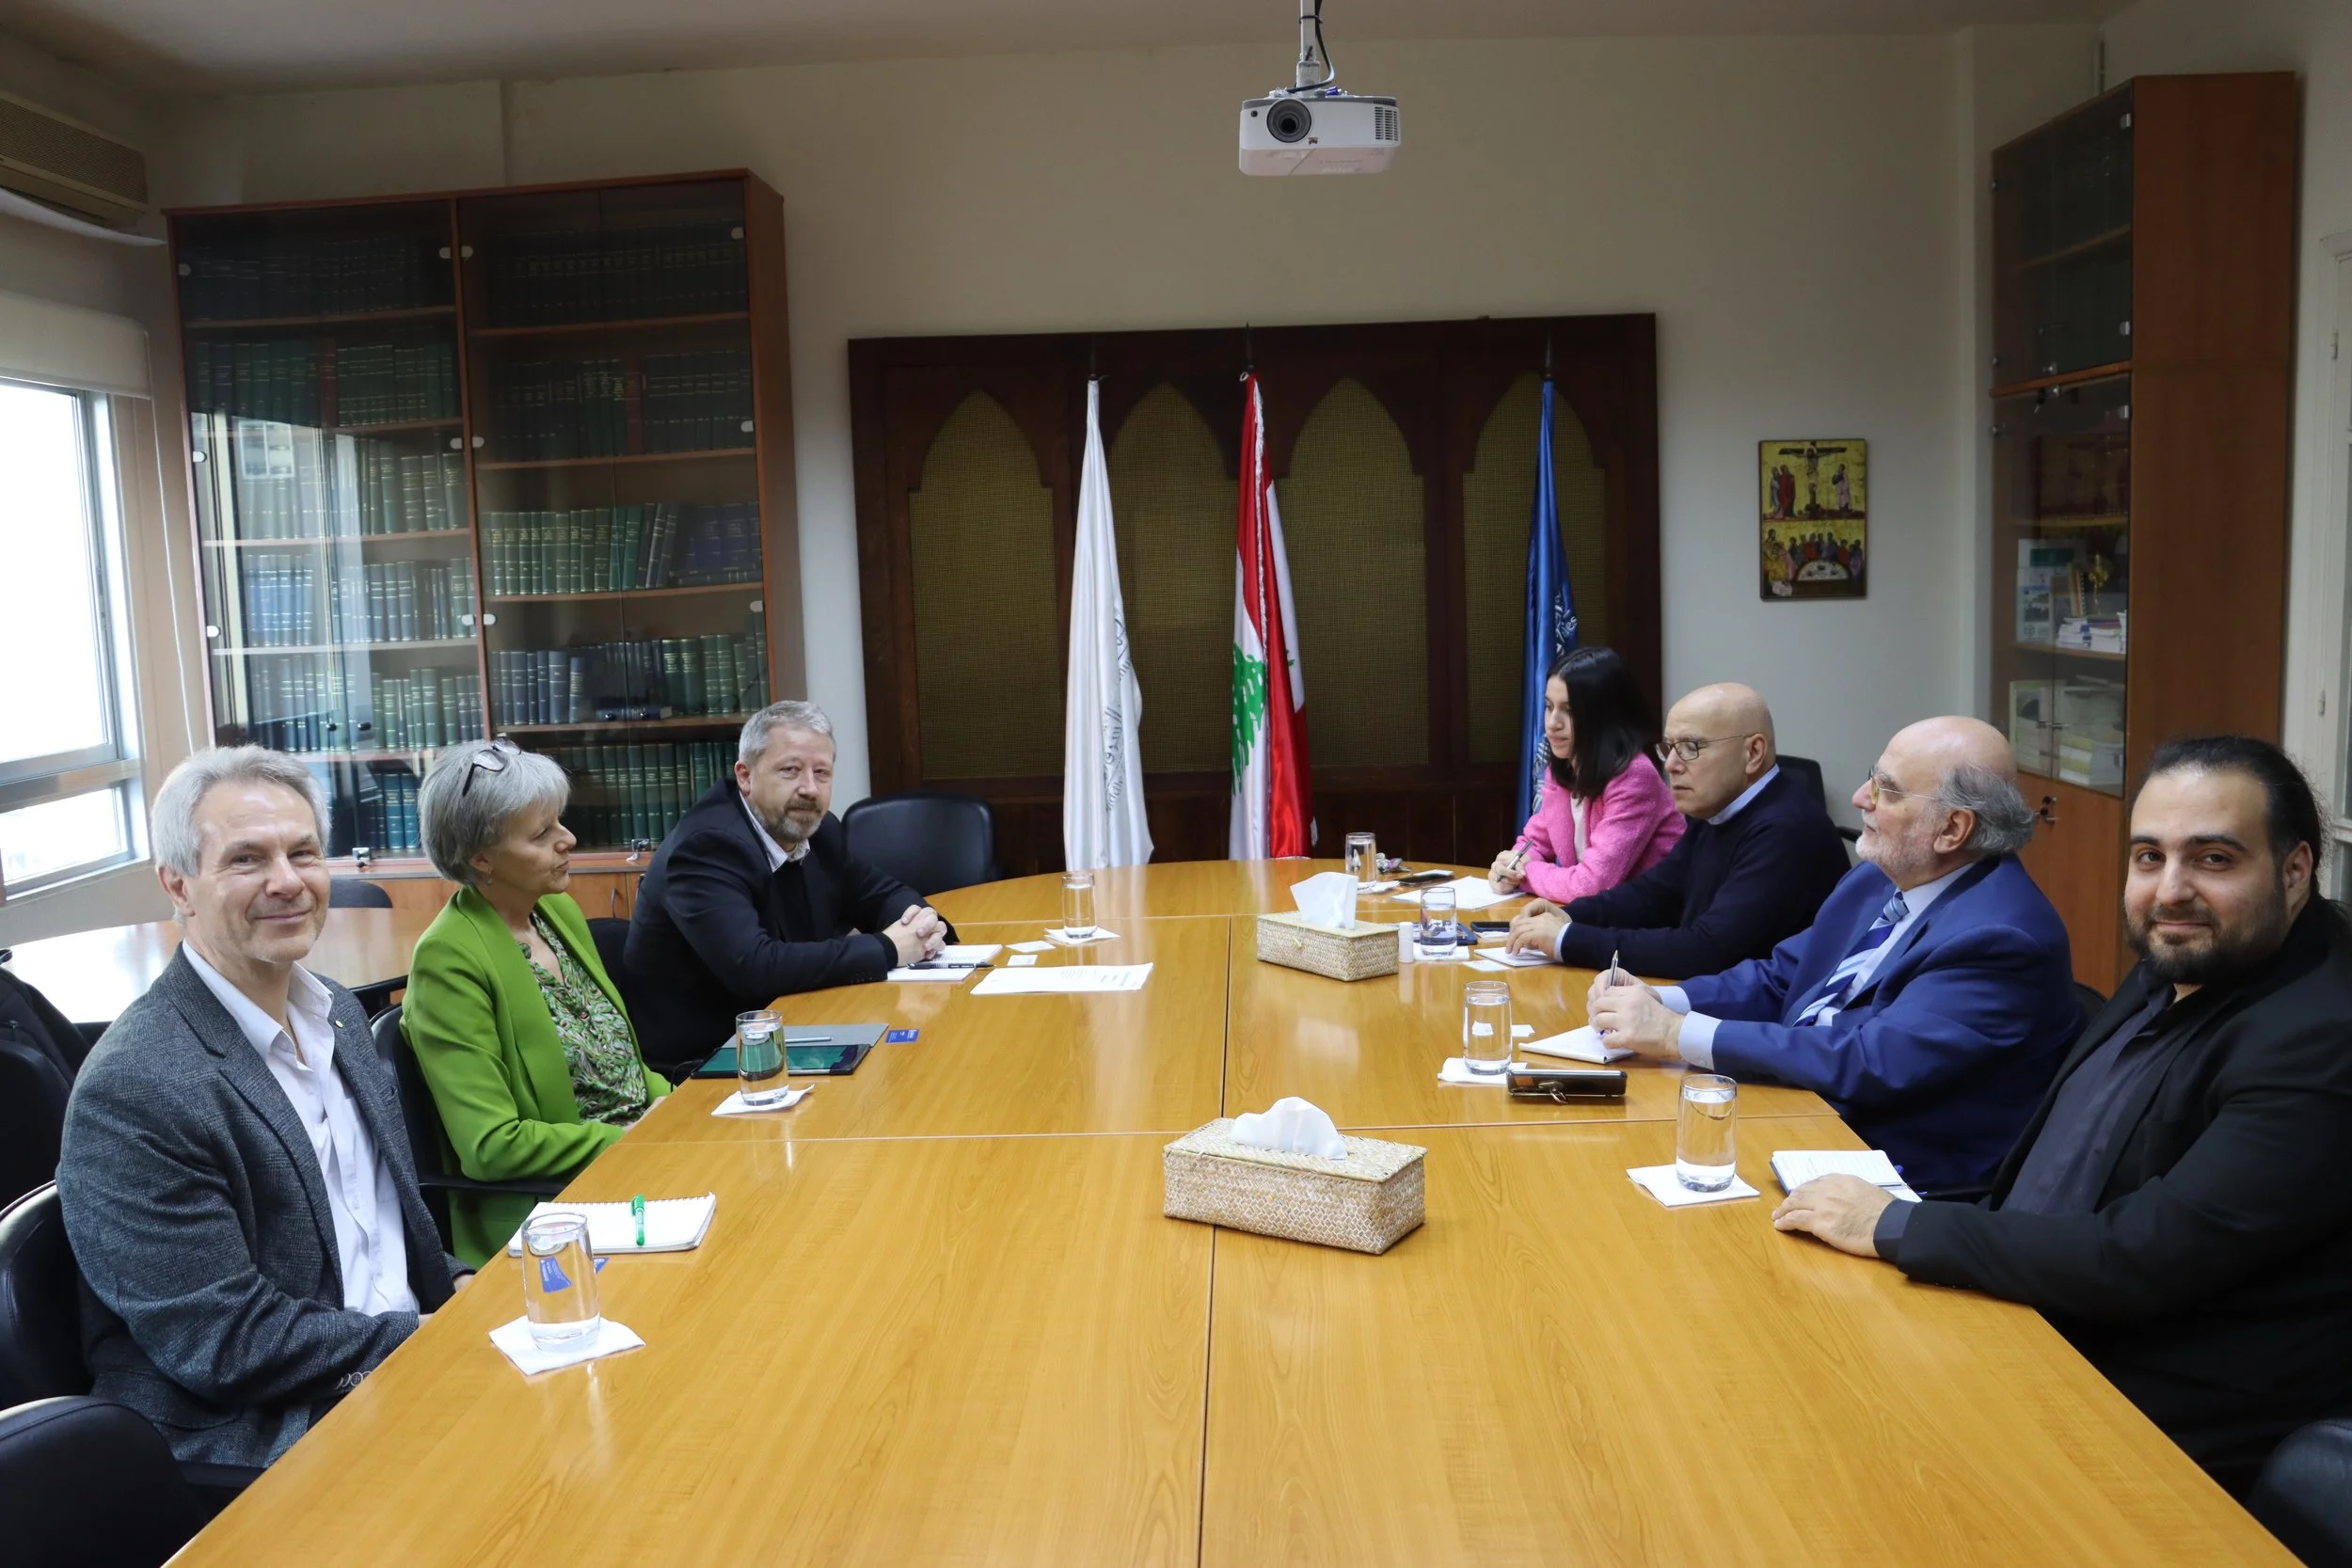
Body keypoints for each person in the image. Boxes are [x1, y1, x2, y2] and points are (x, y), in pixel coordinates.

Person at [1774, 736, 2352, 1497]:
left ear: (2295, 870)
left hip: (2151, 1428)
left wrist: (1894, 1225)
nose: (2171, 889)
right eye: (2149, 857)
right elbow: (2047, 1177)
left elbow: (2141, 1256)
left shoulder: (2319, 1039)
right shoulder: (2177, 966)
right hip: (2034, 1320)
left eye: (2213, 858)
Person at [56, 748, 455, 1472]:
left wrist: (468, 1292)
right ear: (178, 885)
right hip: (269, 1433)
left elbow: (381, 1245)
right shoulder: (136, 1089)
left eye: (303, 852)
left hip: (398, 1367)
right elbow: (228, 1341)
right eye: (247, 858)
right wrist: (434, 1340)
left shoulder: (337, 1013)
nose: (287, 881)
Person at [1587, 717, 2075, 1196]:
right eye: (1871, 778)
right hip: (1800, 1110)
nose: (1861, 797)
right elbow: (1782, 976)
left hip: (1884, 1171)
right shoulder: (1877, 877)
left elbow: (1869, 1060)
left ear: (1952, 828)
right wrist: (1662, 1001)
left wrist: (1674, 1034)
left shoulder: (2001, 938)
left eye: (1887, 790)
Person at [401, 738, 673, 1267]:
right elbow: (491, 1146)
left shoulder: (556, 912)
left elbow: (621, 1068)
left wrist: (676, 1112)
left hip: (637, 1165)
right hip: (555, 1210)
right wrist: (631, 1139)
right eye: (542, 833)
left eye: (559, 822)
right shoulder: (448, 960)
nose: (568, 840)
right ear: (481, 858)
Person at [627, 701, 952, 1068]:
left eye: (821, 773)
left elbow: (881, 894)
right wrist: (889, 948)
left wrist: (921, 925)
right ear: (745, 777)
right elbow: (755, 967)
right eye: (790, 771)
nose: (810, 789)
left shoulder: (818, 829)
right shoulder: (706, 847)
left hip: (797, 1028)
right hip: (712, 1060)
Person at [1505, 683, 1848, 977]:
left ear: (1753, 752)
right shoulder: (1716, 810)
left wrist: (1568, 939)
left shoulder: (1786, 831)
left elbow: (1707, 951)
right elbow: (1656, 893)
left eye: (1690, 748)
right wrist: (1569, 914)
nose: (1670, 765)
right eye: (1669, 748)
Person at [1487, 646, 1681, 904]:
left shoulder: (1634, 777)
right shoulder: (1564, 769)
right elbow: (1533, 844)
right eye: (1548, 706)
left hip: (1651, 920)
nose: (1552, 723)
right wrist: (1509, 867)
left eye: (1569, 710)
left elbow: (1592, 885)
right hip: (1600, 918)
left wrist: (1525, 874)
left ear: (1604, 715)